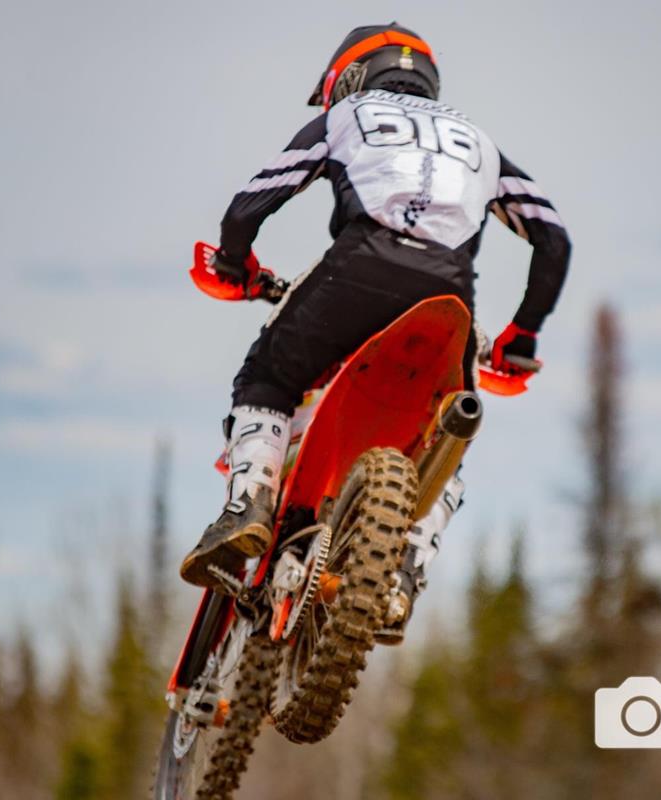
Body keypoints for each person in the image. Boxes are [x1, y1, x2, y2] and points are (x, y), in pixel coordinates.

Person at [180, 23, 571, 639]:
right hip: (449, 294)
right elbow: (553, 239)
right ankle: (404, 573)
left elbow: (256, 197)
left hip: (359, 269)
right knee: (445, 439)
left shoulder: (347, 116)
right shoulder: (481, 142)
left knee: (267, 375)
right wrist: (521, 338)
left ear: (351, 77)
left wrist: (235, 261)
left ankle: (248, 503)